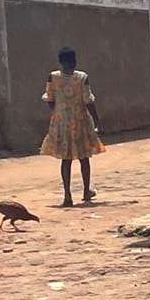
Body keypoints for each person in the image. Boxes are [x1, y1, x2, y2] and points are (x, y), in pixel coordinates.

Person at [41, 47, 104, 206]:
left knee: (66, 159)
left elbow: (50, 99)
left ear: (60, 62)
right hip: (80, 122)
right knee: (84, 158)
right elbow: (88, 101)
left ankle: (67, 196)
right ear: (74, 61)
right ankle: (86, 191)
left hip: (61, 123)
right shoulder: (82, 78)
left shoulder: (53, 77)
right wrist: (97, 121)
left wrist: (59, 112)